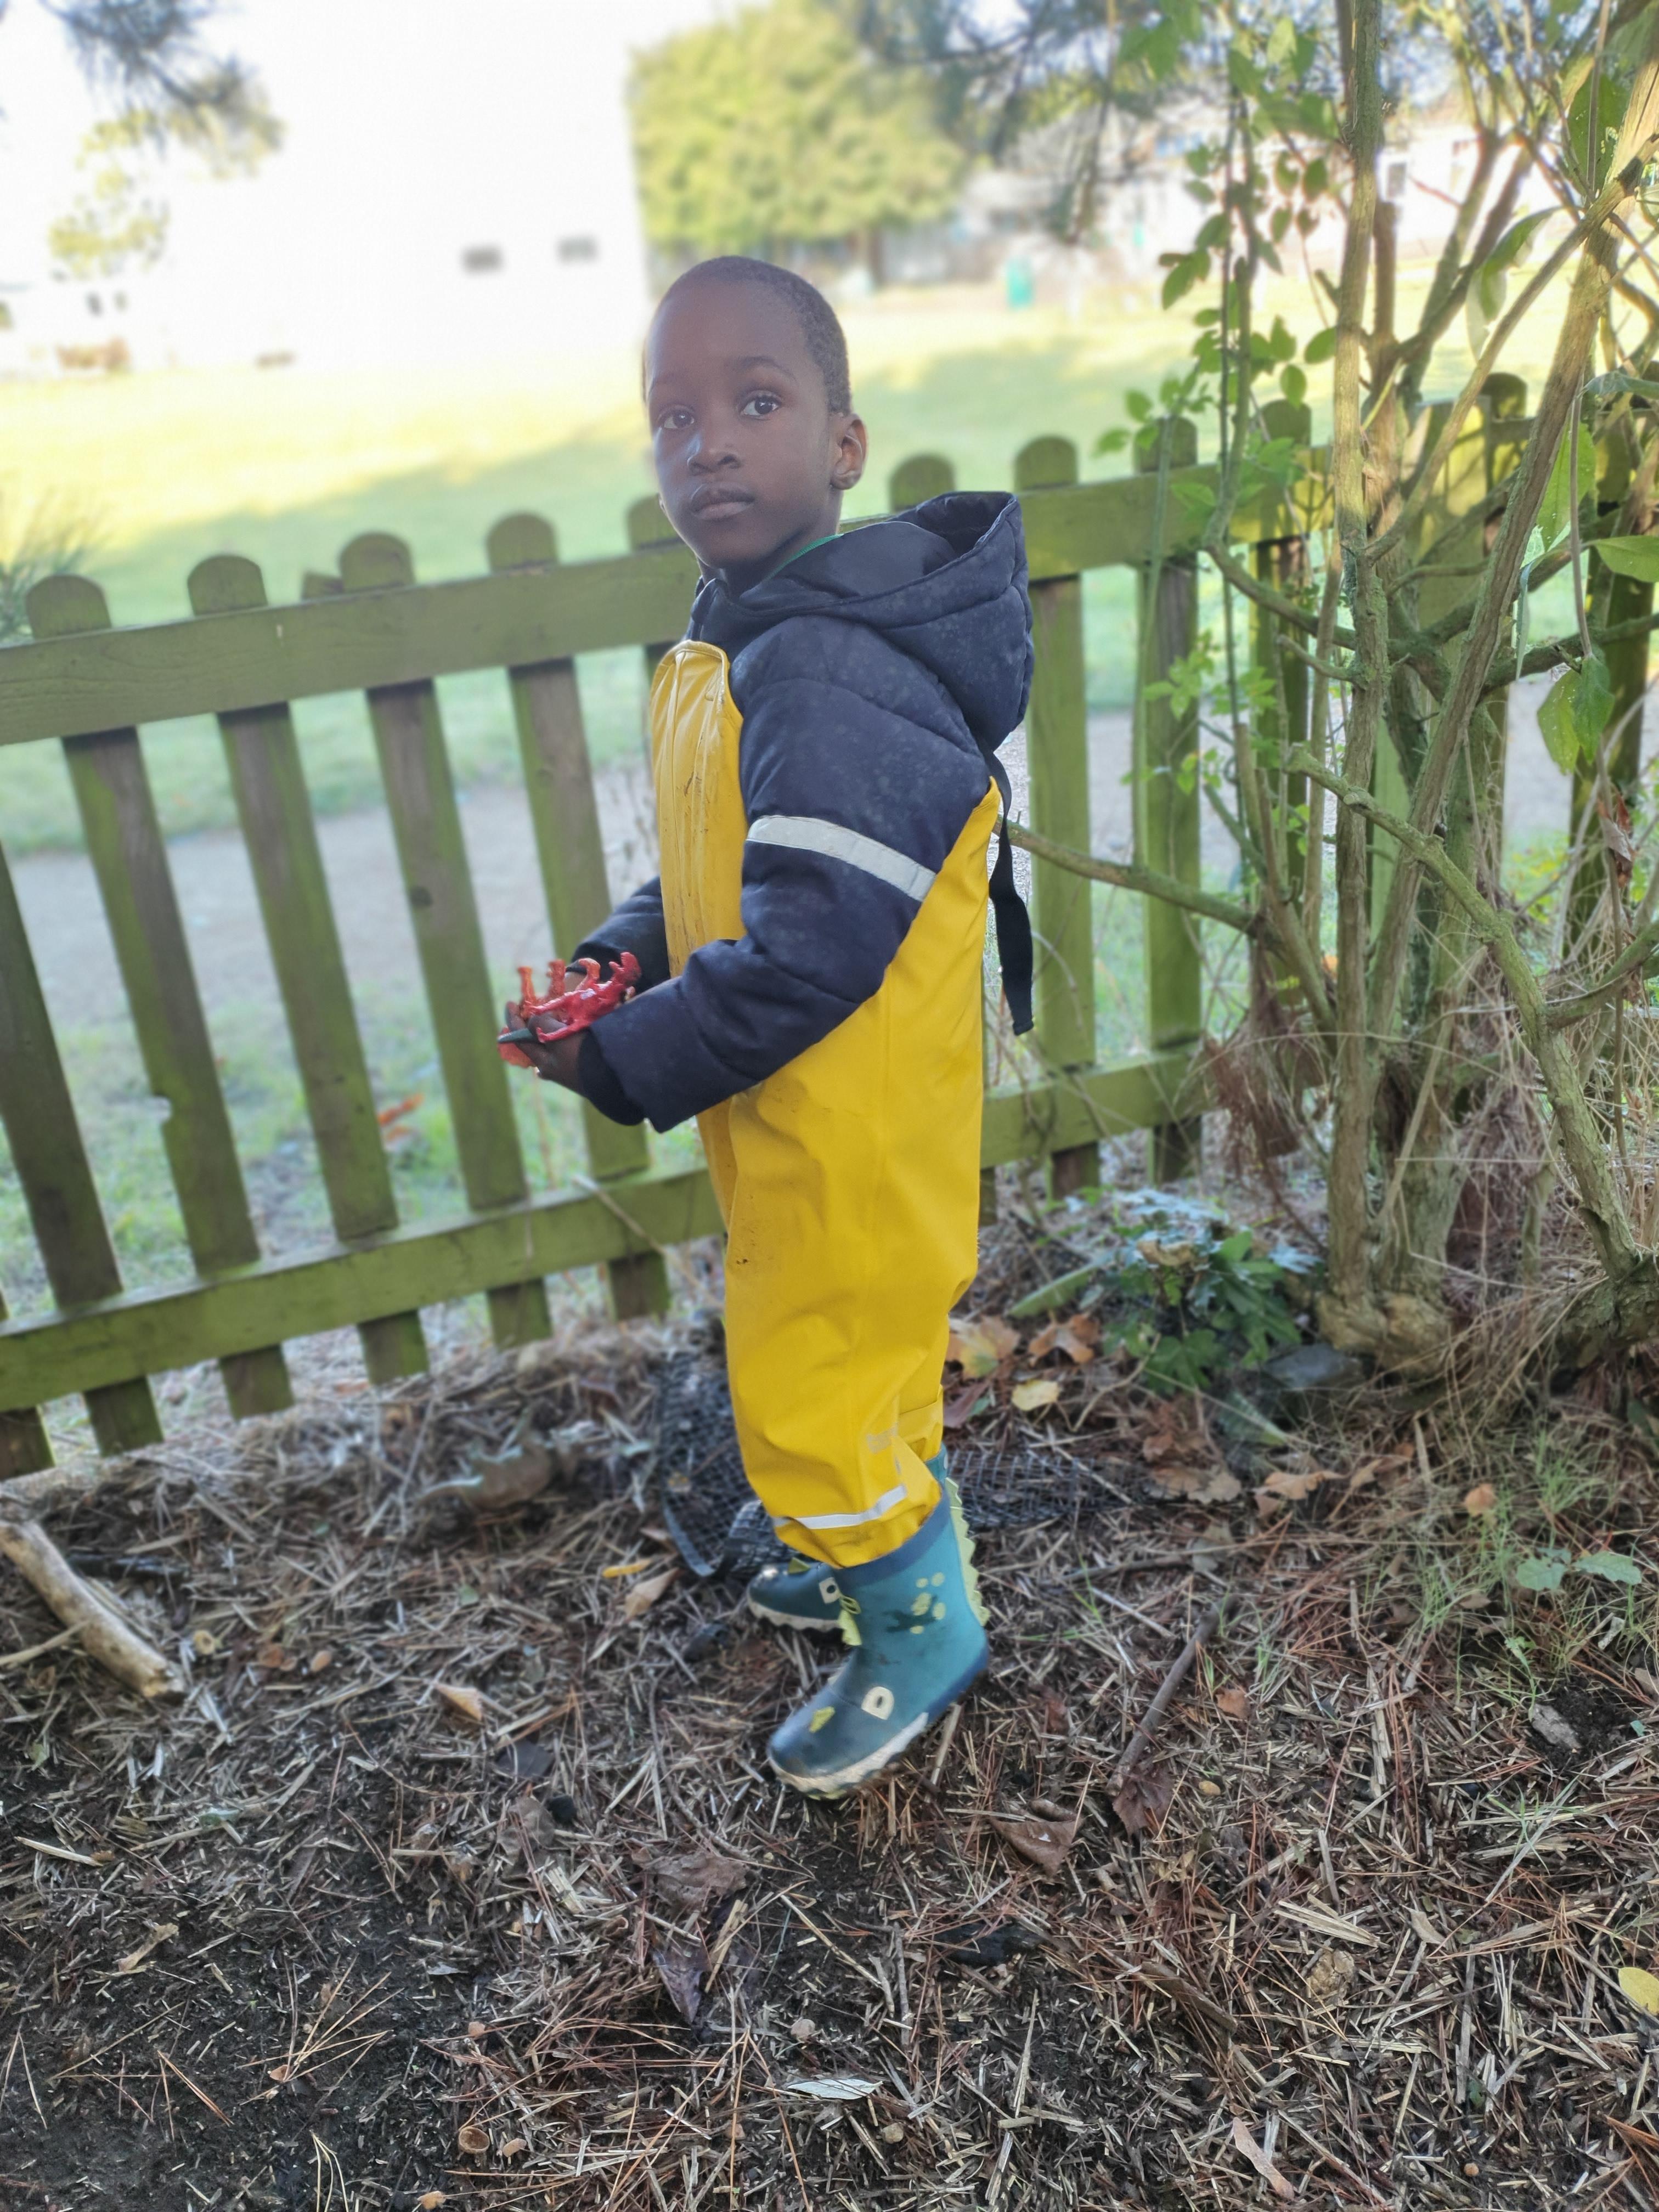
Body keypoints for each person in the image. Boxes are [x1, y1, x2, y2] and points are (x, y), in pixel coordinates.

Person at [508, 256, 1034, 1799]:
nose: (711, 444)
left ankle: (920, 1629)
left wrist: (624, 1059)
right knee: (861, 1357)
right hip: (795, 1107)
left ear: (844, 442)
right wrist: (626, 954)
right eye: (675, 415)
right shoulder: (751, 631)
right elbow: (728, 861)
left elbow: (809, 951)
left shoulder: (833, 667)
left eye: (756, 402)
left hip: (850, 1119)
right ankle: (873, 1546)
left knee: (811, 1374)